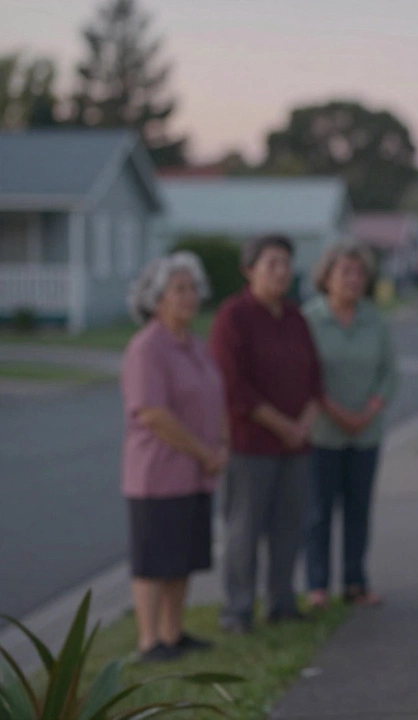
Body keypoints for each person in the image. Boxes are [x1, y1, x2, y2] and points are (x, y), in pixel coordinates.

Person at [210, 234, 324, 634]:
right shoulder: (233, 317)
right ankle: (238, 610)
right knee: (244, 529)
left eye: (286, 263)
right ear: (249, 270)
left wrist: (305, 423)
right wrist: (282, 425)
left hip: (296, 447)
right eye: (272, 263)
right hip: (251, 445)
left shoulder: (296, 317)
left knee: (289, 527)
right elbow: (233, 385)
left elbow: (315, 378)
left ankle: (281, 602)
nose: (281, 271)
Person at [120, 251, 226, 662]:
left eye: (193, 288)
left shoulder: (195, 346)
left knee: (181, 556)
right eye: (179, 289)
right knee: (154, 560)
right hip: (157, 473)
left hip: (196, 471)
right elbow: (153, 413)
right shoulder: (147, 348)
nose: (189, 296)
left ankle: (174, 632)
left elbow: (217, 399)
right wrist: (205, 451)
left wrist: (222, 446)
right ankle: (149, 640)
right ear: (156, 298)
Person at [303, 243, 398, 609]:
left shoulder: (375, 319)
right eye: (344, 272)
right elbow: (307, 374)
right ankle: (317, 586)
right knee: (318, 513)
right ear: (326, 278)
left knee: (358, 511)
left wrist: (368, 412)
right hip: (323, 433)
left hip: (366, 433)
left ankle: (355, 581)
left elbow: (390, 373)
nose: (353, 280)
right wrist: (335, 411)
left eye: (359, 273)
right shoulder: (310, 319)